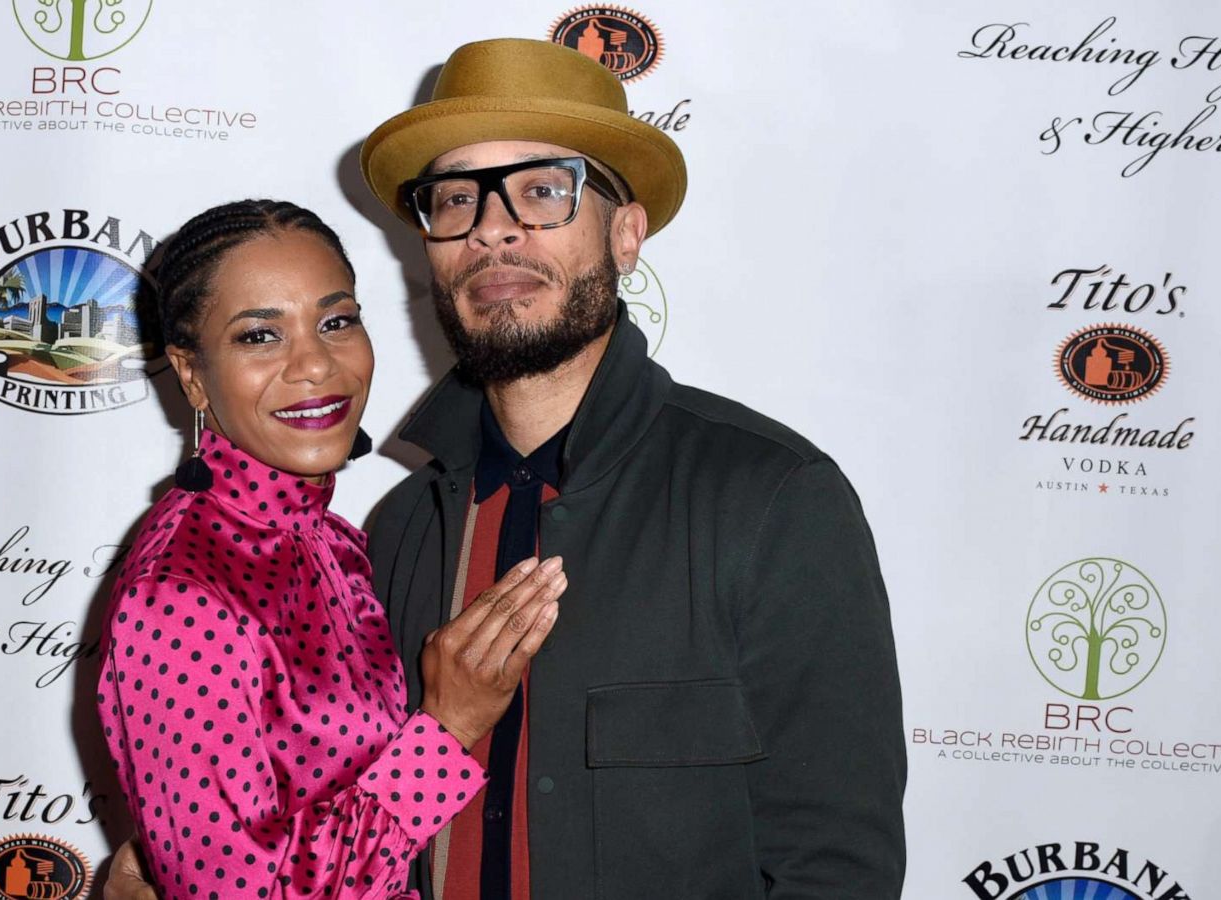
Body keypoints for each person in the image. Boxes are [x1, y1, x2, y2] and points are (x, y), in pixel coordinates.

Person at [111, 39, 906, 899]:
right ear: (431, 252)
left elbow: (836, 869)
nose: (493, 228)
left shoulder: (767, 498)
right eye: (456, 200)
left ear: (626, 233)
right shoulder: (399, 528)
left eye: (541, 191)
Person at [96, 198, 568, 900]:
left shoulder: (332, 540)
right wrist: (448, 727)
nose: (315, 364)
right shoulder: (181, 593)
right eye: (259, 336)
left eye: (336, 322)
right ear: (192, 374)